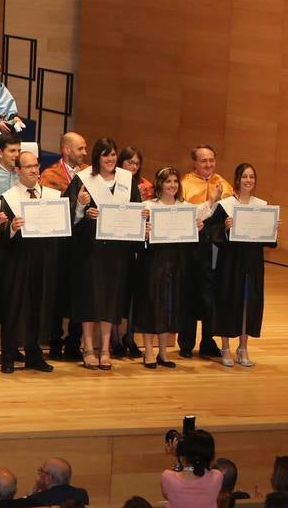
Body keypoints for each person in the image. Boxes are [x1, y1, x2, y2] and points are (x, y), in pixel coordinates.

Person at [62, 138, 142, 370]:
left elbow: (135, 208)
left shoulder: (127, 180)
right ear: (97, 157)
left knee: (111, 299)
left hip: (117, 252)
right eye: (105, 155)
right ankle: (88, 347)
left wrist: (141, 219)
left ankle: (105, 349)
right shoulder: (84, 179)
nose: (110, 159)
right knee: (89, 299)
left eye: (113, 155)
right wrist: (81, 207)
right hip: (90, 250)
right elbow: (68, 217)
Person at [0, 151, 64, 374]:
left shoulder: (53, 196)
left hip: (44, 259)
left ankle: (34, 354)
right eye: (28, 167)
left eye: (36, 166)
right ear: (18, 171)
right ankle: (8, 355)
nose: (34, 170)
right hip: (18, 261)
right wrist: (11, 229)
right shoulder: (8, 198)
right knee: (14, 309)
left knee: (39, 307)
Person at [208, 162, 273, 366]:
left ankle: (243, 347)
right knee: (228, 300)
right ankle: (225, 346)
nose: (248, 180)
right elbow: (212, 232)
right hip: (230, 262)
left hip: (252, 262)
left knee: (249, 301)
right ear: (237, 179)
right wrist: (226, 228)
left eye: (251, 177)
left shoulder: (261, 206)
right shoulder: (226, 205)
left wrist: (272, 227)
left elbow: (269, 240)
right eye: (244, 176)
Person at [132, 166, 197, 367]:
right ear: (160, 184)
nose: (172, 185)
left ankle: (163, 352)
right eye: (168, 181)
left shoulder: (185, 207)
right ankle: (149, 352)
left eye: (175, 181)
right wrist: (144, 232)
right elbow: (137, 238)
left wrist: (196, 229)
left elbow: (189, 240)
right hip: (154, 261)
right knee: (152, 304)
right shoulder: (148, 207)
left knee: (169, 305)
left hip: (176, 263)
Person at [179, 145, 233, 358]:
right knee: (190, 292)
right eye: (203, 160)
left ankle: (208, 340)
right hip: (192, 245)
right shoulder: (185, 184)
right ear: (195, 163)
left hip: (215, 246)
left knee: (212, 294)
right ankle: (186, 343)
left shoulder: (223, 183)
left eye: (211, 160)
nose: (208, 164)